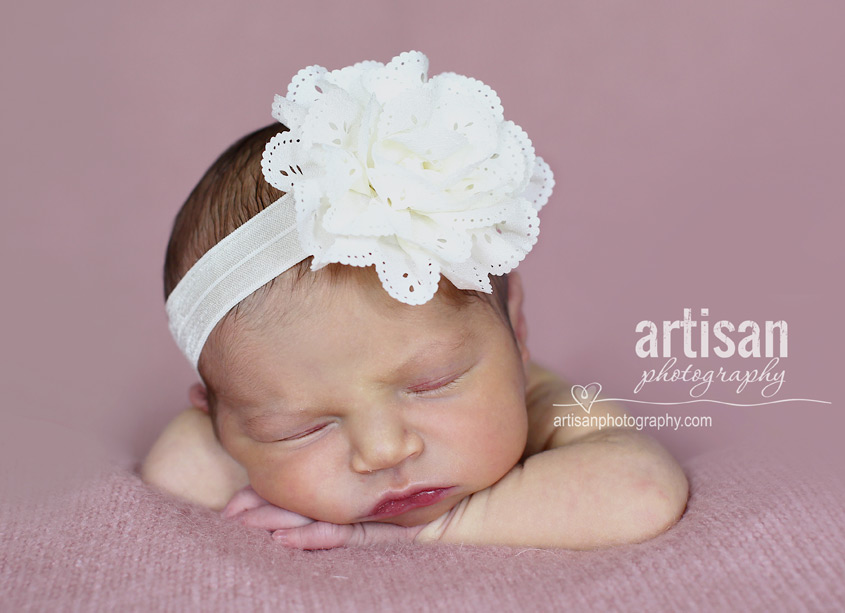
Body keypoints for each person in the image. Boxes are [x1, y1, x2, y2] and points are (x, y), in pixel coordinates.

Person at [141, 51, 688, 550]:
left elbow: (640, 491)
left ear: (516, 331)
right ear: (216, 417)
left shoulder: (559, 403)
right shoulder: (233, 421)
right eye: (300, 429)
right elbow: (177, 470)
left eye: (432, 384)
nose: (384, 450)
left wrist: (434, 528)